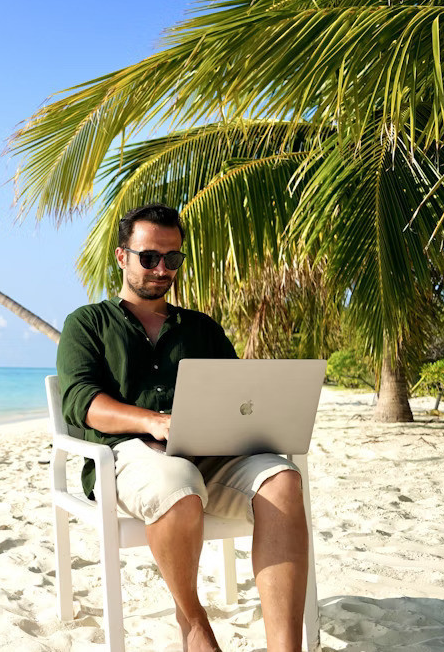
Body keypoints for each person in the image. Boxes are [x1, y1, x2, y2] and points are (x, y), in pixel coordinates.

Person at [56, 204, 310, 652]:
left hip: (211, 452)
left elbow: (237, 393)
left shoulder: (201, 328)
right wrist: (153, 422)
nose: (162, 269)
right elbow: (82, 402)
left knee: (283, 480)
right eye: (149, 257)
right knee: (178, 483)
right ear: (122, 257)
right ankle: (193, 623)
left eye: (172, 258)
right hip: (129, 455)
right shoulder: (88, 324)